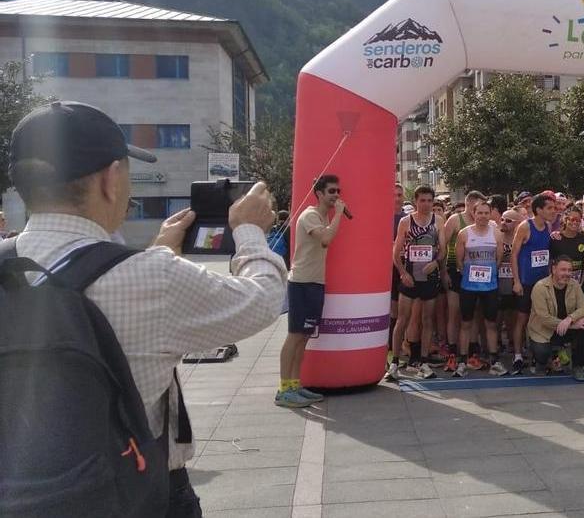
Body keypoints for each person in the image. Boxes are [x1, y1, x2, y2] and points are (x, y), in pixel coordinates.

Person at [6, 100, 285, 516]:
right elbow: (262, 300)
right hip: (131, 493)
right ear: (110, 180)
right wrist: (249, 232)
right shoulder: (153, 278)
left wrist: (156, 252)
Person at [279, 174, 346, 407]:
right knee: (295, 335)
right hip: (301, 283)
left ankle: (295, 385)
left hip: (315, 283)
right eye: (331, 192)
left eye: (338, 191)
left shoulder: (322, 217)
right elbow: (326, 239)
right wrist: (338, 214)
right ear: (319, 193)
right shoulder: (309, 215)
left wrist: (333, 215)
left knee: (305, 336)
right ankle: (284, 389)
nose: (336, 196)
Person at [387, 185, 442, 381]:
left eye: (429, 201)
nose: (426, 204)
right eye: (422, 200)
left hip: (429, 278)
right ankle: (394, 362)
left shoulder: (438, 221)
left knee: (427, 321)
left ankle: (424, 362)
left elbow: (441, 250)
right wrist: (402, 273)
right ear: (416, 201)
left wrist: (435, 262)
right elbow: (395, 252)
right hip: (410, 277)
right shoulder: (405, 221)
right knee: (402, 320)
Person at [453, 200, 503, 376]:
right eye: (479, 213)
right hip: (469, 285)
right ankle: (462, 360)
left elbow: (498, 259)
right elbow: (458, 260)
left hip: (490, 286)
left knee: (490, 323)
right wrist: (468, 272)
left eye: (486, 213)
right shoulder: (464, 234)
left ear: (490, 214)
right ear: (473, 214)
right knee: (466, 323)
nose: (482, 216)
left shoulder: (496, 234)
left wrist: (488, 272)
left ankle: (494, 360)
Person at [510, 193, 557, 374]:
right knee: (521, 319)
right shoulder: (525, 227)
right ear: (538, 210)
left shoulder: (548, 226)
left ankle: (538, 354)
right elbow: (513, 254)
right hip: (526, 281)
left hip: (542, 283)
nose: (553, 211)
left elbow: (547, 254)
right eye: (549, 208)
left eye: (554, 208)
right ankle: (517, 355)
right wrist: (517, 281)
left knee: (541, 318)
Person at [440, 190, 486, 374]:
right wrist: (444, 272)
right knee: (454, 313)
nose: (479, 211)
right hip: (455, 271)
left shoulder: (483, 222)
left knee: (473, 314)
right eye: (477, 207)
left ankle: (471, 353)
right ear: (469, 203)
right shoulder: (455, 220)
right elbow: (442, 247)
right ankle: (452, 353)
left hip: (476, 273)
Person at [528, 256, 584, 381]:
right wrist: (573, 324)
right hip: (544, 330)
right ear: (553, 269)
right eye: (563, 270)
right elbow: (544, 319)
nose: (567, 273)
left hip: (566, 328)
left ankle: (578, 366)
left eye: (569, 270)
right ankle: (542, 363)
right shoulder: (540, 287)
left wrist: (569, 319)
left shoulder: (575, 285)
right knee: (542, 352)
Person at [495, 208, 522, 373]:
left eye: (508, 220)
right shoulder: (495, 237)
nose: (503, 222)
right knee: (496, 319)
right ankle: (494, 347)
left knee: (514, 318)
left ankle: (515, 346)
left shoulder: (521, 239)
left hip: (514, 285)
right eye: (502, 219)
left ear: (518, 224)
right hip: (497, 285)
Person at [388, 183, 406, 362]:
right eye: (393, 194)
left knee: (403, 313)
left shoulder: (407, 219)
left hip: (404, 269)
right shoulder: (381, 217)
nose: (397, 198)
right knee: (393, 312)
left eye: (400, 194)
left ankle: (400, 350)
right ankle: (390, 350)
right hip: (387, 270)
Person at [550, 205, 584, 282]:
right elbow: (549, 264)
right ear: (565, 220)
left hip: (577, 284)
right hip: (558, 283)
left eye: (578, 220)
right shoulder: (555, 239)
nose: (575, 222)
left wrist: (582, 283)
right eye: (572, 219)